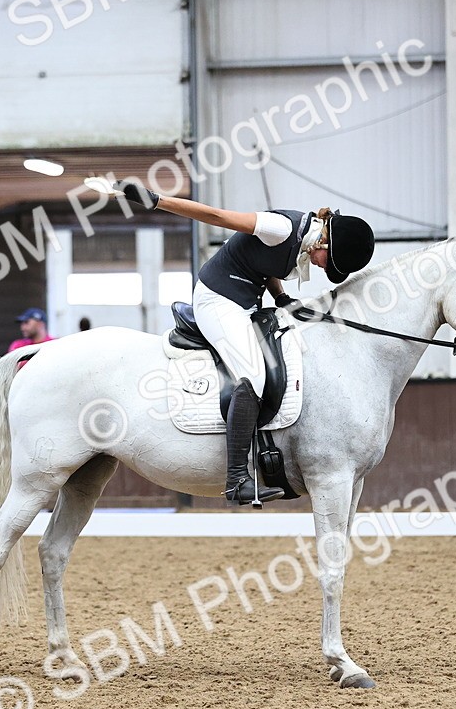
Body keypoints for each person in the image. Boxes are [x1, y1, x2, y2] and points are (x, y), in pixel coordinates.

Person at [113, 179, 375, 505]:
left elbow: (264, 262)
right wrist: (157, 201)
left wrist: (282, 297)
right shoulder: (281, 228)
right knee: (253, 375)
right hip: (217, 299)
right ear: (325, 241)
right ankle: (237, 478)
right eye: (327, 262)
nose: (322, 268)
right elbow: (217, 216)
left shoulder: (304, 238)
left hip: (245, 301)